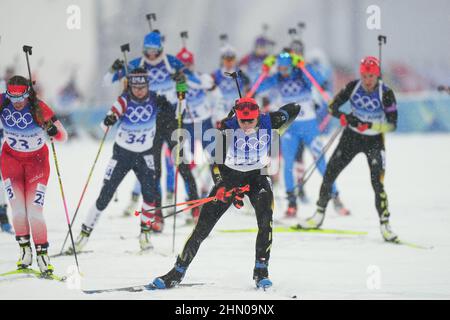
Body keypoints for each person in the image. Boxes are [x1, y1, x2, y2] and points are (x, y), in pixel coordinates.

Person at [150, 98, 301, 289]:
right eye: (242, 121)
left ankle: (261, 271)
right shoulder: (226, 129)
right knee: (202, 228)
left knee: (265, 222)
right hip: (231, 177)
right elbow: (216, 165)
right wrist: (222, 186)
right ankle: (177, 272)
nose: (246, 125)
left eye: (251, 121)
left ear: (257, 117)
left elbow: (295, 107)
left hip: (258, 177)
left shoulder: (270, 121)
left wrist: (276, 123)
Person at [70, 68, 196, 253]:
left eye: (142, 87)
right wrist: (110, 118)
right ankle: (84, 235)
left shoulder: (155, 99)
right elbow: (111, 115)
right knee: (105, 195)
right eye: (135, 87)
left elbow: (179, 114)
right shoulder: (125, 99)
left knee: (150, 195)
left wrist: (181, 91)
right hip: (122, 155)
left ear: (147, 86)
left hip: (145, 156)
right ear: (131, 86)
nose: (138, 91)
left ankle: (144, 235)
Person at [298, 56, 399, 242]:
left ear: (377, 75)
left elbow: (392, 124)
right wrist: (344, 117)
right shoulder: (353, 87)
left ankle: (385, 225)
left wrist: (369, 125)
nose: (367, 80)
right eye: (364, 75)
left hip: (374, 141)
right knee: (330, 174)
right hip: (351, 138)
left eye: (371, 76)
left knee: (377, 184)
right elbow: (332, 107)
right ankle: (318, 215)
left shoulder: (385, 93)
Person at [105, 30, 198, 227]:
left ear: (161, 49)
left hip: (171, 118)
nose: (152, 54)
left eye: (156, 50)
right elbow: (108, 81)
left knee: (182, 164)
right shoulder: (137, 65)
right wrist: (114, 70)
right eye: (148, 50)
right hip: (150, 124)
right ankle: (157, 214)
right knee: (154, 170)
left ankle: (195, 208)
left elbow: (195, 79)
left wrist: (182, 81)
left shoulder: (171, 62)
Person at [257, 52, 347, 217]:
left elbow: (319, 80)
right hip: (289, 128)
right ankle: (292, 203)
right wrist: (265, 69)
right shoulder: (277, 78)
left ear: (291, 66)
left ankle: (336, 197)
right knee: (288, 164)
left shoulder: (302, 76)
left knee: (321, 163)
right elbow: (258, 87)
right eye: (280, 68)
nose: (283, 72)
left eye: (286, 68)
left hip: (310, 128)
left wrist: (304, 66)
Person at [0, 75, 67, 275]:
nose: (17, 103)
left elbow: (63, 136)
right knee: (18, 211)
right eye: (13, 98)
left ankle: (42, 255)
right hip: (10, 162)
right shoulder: (3, 102)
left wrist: (53, 130)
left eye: (21, 98)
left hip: (37, 164)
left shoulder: (39, 108)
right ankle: (24, 251)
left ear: (28, 94)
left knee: (34, 211)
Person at [176, 47, 215, 211]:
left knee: (216, 156)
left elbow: (208, 84)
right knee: (187, 162)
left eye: (189, 64)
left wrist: (189, 78)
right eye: (183, 65)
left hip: (205, 122)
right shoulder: (176, 81)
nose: (187, 67)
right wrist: (180, 83)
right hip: (186, 124)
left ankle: (213, 189)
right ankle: (192, 198)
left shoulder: (200, 76)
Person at [211, 44, 250, 127]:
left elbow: (248, 89)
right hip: (221, 111)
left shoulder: (240, 74)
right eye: (226, 60)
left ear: (235, 60)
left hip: (236, 110)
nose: (229, 63)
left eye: (231, 59)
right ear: (222, 60)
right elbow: (211, 94)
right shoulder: (215, 75)